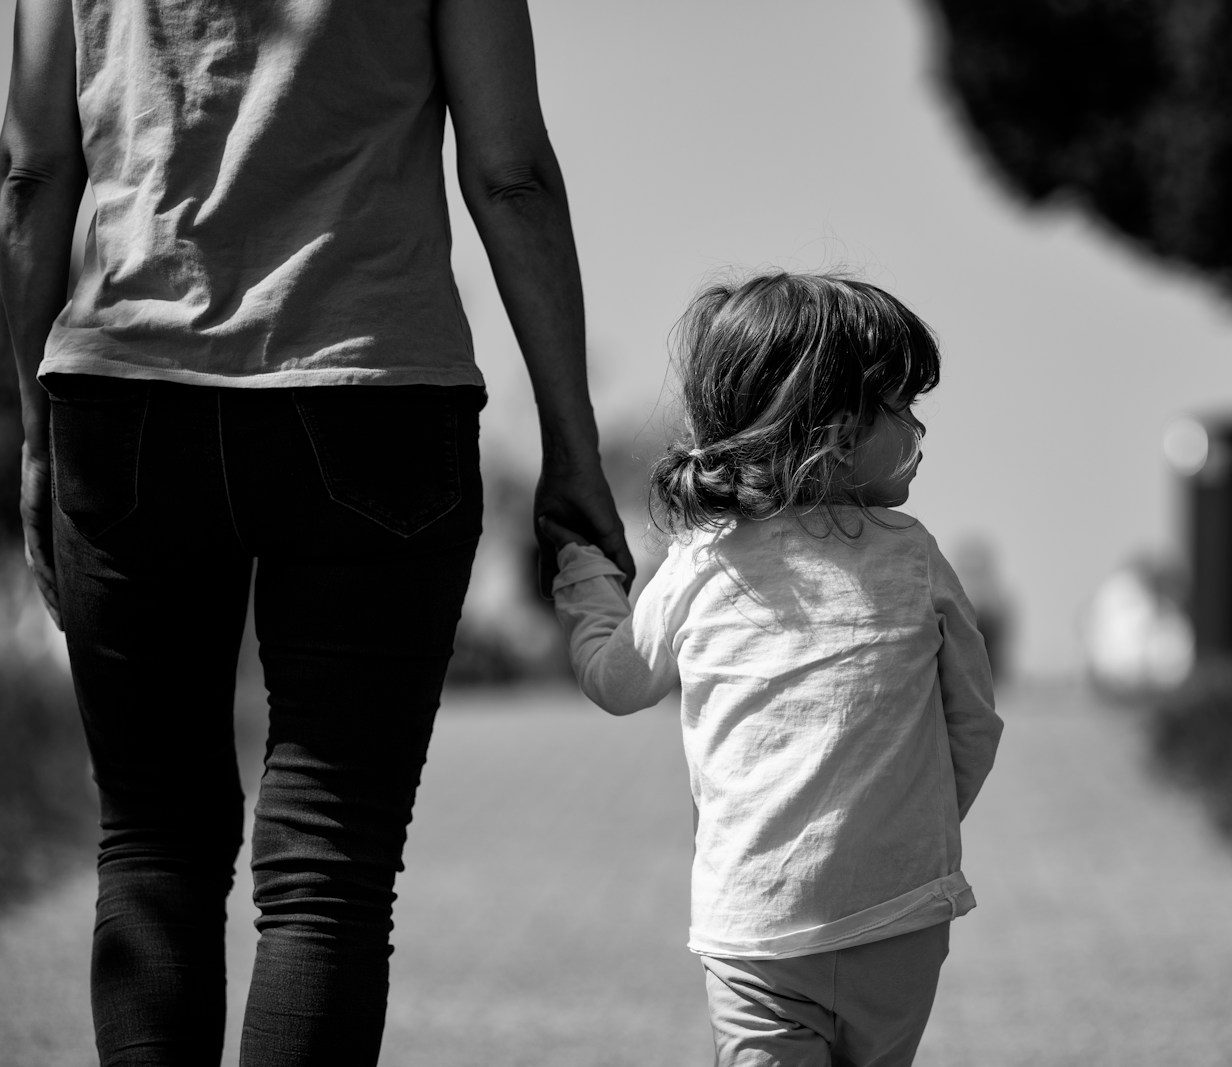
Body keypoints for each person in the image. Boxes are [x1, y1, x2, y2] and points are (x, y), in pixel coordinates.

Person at [1, 0, 633, 1062]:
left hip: (126, 401)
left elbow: (30, 171)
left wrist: (30, 428)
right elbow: (509, 170)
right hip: (374, 397)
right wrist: (571, 440)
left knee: (155, 842)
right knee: (327, 868)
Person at [542, 271, 1004, 1067]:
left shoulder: (702, 564)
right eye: (903, 408)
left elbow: (616, 685)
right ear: (834, 431)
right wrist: (904, 823)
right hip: (899, 923)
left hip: (755, 934)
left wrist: (589, 586)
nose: (920, 432)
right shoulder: (914, 557)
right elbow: (975, 721)